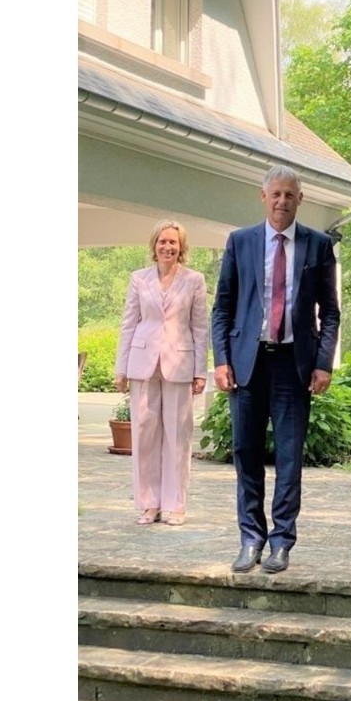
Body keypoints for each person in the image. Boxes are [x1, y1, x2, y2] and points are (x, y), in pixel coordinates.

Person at [212, 164, 341, 574]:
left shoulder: (318, 245)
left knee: (289, 457)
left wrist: (323, 363)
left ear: (300, 199)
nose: (282, 201)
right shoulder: (241, 242)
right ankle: (251, 538)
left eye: (290, 194)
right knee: (246, 454)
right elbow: (223, 307)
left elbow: (331, 313)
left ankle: (282, 541)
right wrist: (221, 360)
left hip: (293, 366)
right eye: (275, 194)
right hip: (247, 365)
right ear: (263, 197)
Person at [114, 219, 208, 526]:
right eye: (162, 241)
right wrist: (121, 367)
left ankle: (175, 505)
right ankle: (148, 504)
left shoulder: (194, 280)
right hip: (142, 363)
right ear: (154, 245)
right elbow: (129, 324)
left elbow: (199, 327)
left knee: (178, 437)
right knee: (144, 434)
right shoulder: (138, 279)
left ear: (182, 248)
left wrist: (200, 371)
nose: (167, 246)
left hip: (179, 363)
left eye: (173, 242)